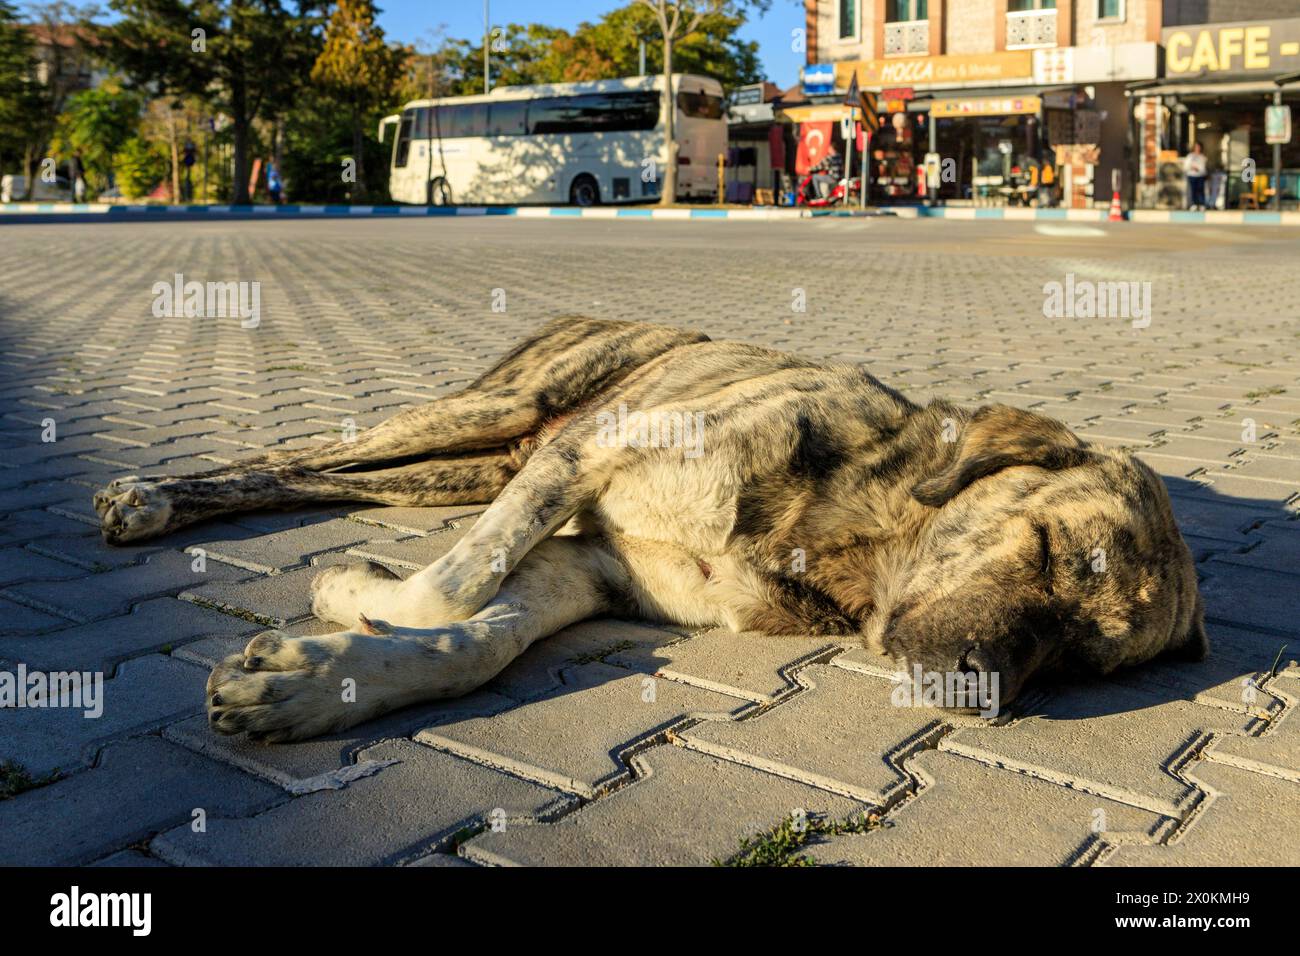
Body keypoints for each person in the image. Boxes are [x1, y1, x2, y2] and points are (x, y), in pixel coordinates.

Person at [1183, 141, 1208, 210]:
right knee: (1193, 190)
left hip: (1200, 175)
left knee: (1201, 190)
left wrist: (1199, 169)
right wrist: (1192, 167)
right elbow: (1186, 166)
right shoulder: (1190, 156)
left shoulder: (1203, 156)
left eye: (1199, 147)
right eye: (1196, 147)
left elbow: (1204, 167)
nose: (1197, 148)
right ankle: (1193, 204)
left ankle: (1202, 204)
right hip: (1192, 175)